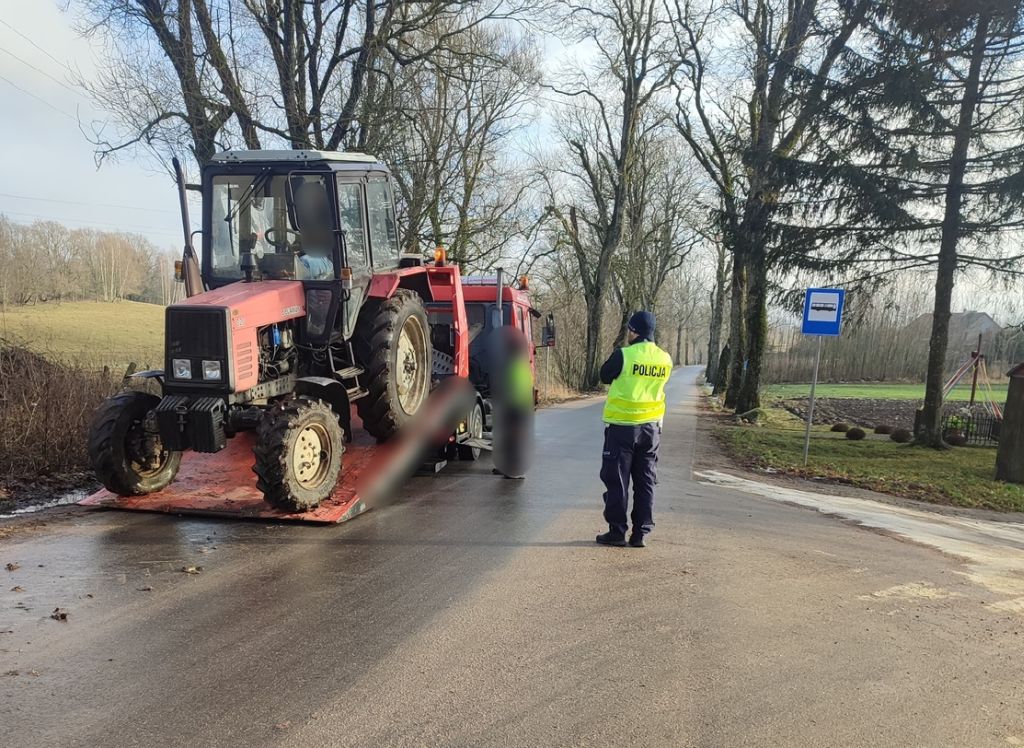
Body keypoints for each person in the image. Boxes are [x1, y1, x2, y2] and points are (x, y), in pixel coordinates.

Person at [595, 310, 673, 548]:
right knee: (645, 480)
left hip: (623, 428)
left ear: (634, 331)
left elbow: (604, 375)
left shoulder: (624, 355)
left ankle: (617, 532)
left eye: (629, 329)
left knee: (618, 480)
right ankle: (640, 533)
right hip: (651, 429)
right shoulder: (665, 359)